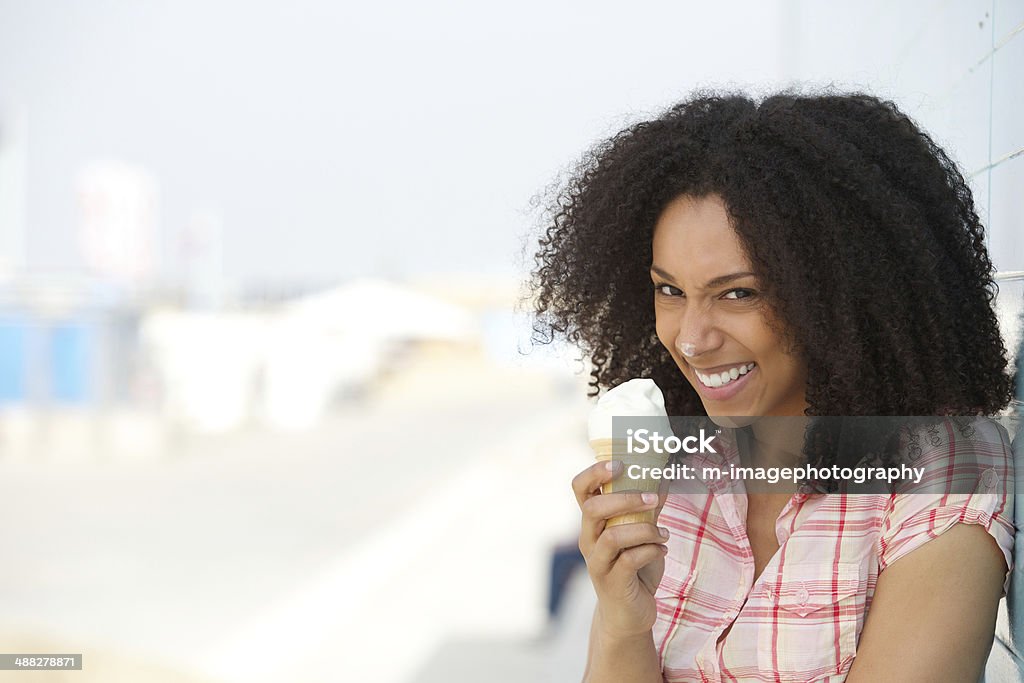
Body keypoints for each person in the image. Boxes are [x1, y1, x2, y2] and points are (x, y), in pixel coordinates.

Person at [528, 90, 1017, 682]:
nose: (691, 338)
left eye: (739, 293)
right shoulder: (681, 467)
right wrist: (621, 621)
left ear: (838, 291)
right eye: (670, 290)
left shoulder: (940, 471)